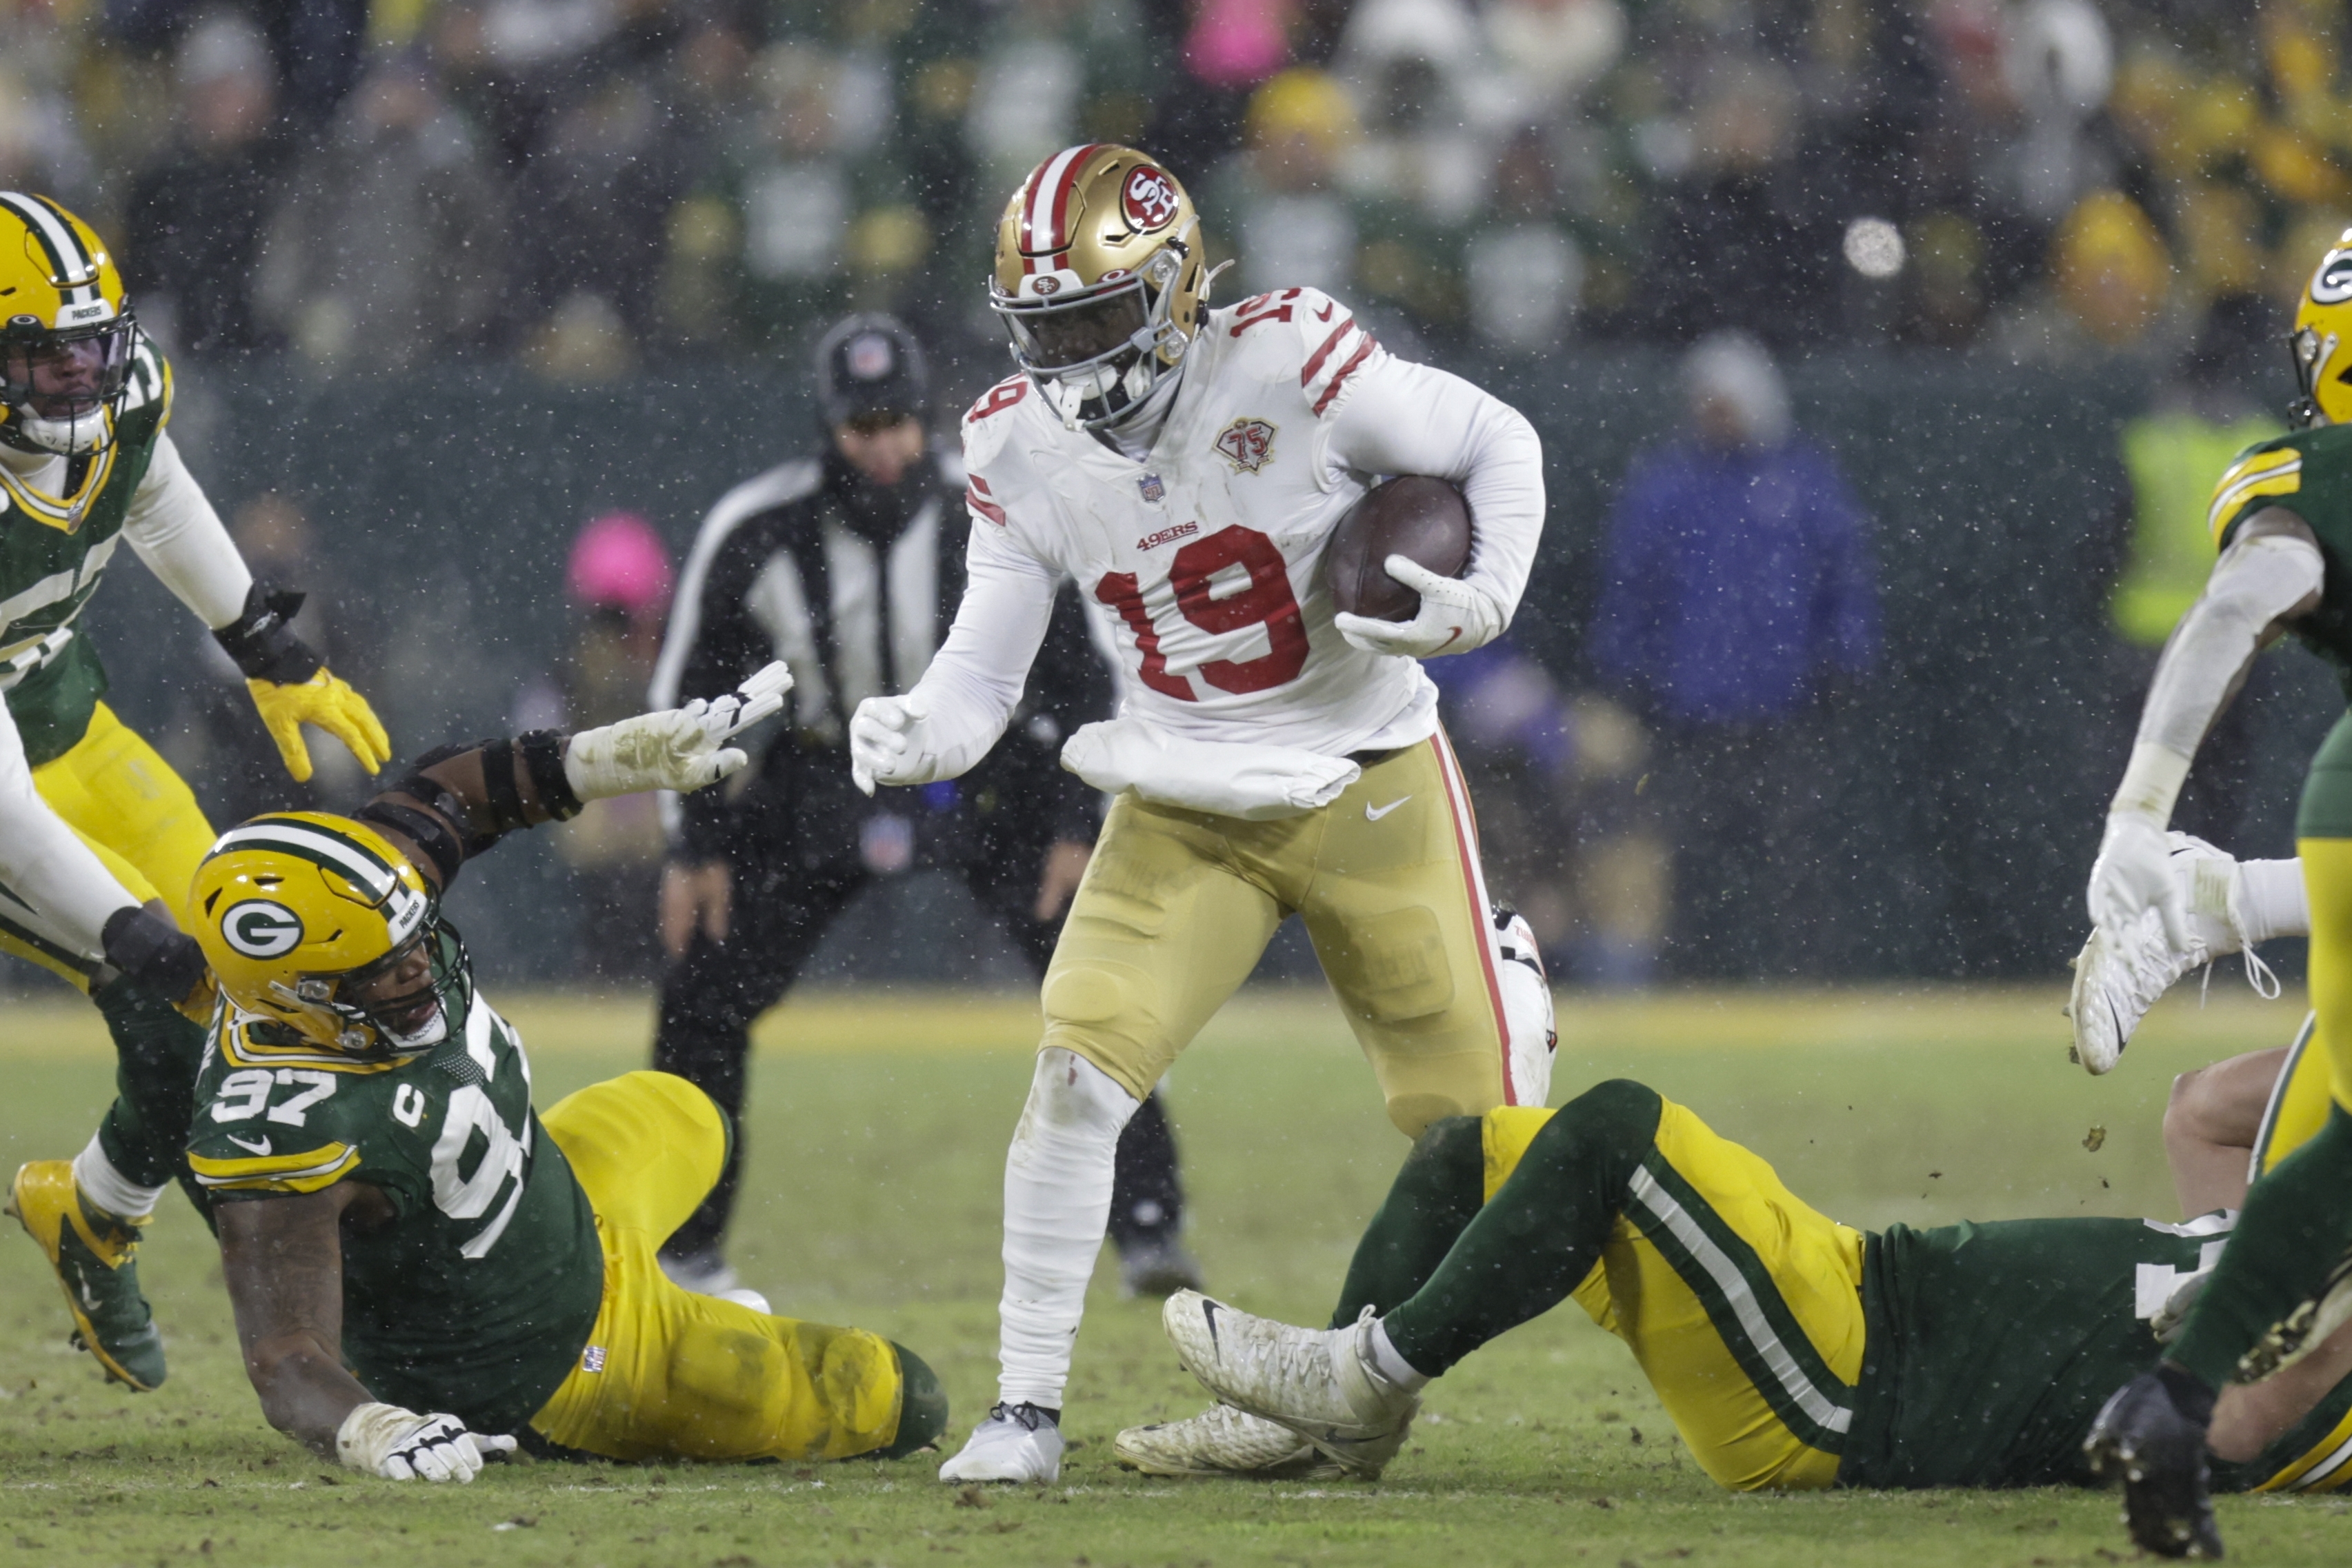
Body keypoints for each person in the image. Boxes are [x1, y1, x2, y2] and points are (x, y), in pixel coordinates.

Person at [848, 144, 1548, 1484]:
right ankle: (1025, 1413)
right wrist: (917, 727)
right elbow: (982, 673)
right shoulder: (1011, 439)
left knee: (1486, 1144)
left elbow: (1492, 442)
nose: (1078, 361)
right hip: (1185, 794)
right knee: (1073, 1075)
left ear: (1175, 291)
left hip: (1367, 781)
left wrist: (1491, 591)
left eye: (1100, 320)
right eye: (1047, 329)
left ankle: (1347, 1383)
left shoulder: (1289, 357)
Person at [177, 667, 947, 1480]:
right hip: (552, 1365)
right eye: (382, 969)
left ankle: (666, 1280)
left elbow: (460, 792)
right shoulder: (281, 1119)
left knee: (692, 1112)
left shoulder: (366, 904)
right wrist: (374, 1428)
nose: (416, 968)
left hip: (561, 1197)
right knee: (897, 1396)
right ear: (299, 996)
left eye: (414, 940)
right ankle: (661, 1353)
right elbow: (285, 1359)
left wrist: (618, 756)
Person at [1130, 1042, 2352, 1500]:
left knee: (1614, 1123)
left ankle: (1363, 1372)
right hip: (1855, 1278)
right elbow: (2207, 1112)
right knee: (1476, 1149)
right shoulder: (2290, 1250)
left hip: (1854, 1386)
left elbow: (2239, 1432)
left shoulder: (2316, 1370)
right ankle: (1332, 1424)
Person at [647, 312, 1199, 1299]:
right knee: (702, 993)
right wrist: (694, 846)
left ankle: (1149, 1222)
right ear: (828, 425)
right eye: (864, 426)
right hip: (823, 774)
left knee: (1101, 987)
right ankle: (684, 1243)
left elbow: (1085, 682)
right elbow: (692, 700)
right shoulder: (758, 527)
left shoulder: (996, 505)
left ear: (929, 417)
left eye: (900, 421)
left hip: (990, 777)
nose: (885, 446)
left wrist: (1078, 826)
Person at [0, 190, 388, 1394]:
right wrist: (124, 930)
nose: (77, 377)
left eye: (91, 346)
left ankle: (93, 1210)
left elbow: (151, 481)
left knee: (253, 971)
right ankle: (110, 1219)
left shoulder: (119, 392)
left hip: (67, 717)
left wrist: (261, 635)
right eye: (42, 353)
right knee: (172, 988)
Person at [2078, 225, 2352, 1557]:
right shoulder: (2321, 481)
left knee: (2320, 1129)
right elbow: (2249, 589)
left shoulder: (2310, 459)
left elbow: (2249, 594)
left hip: (2339, 808)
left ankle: (2178, 1393)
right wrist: (2138, 806)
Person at [1584, 332, 1879, 978]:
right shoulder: (1666, 488)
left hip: (1783, 714)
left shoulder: (1802, 482)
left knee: (1794, 865)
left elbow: (1842, 580)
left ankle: (1802, 980)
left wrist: (1843, 664)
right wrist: (1626, 679)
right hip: (1688, 719)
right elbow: (1632, 589)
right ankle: (1691, 980)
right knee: (1682, 862)